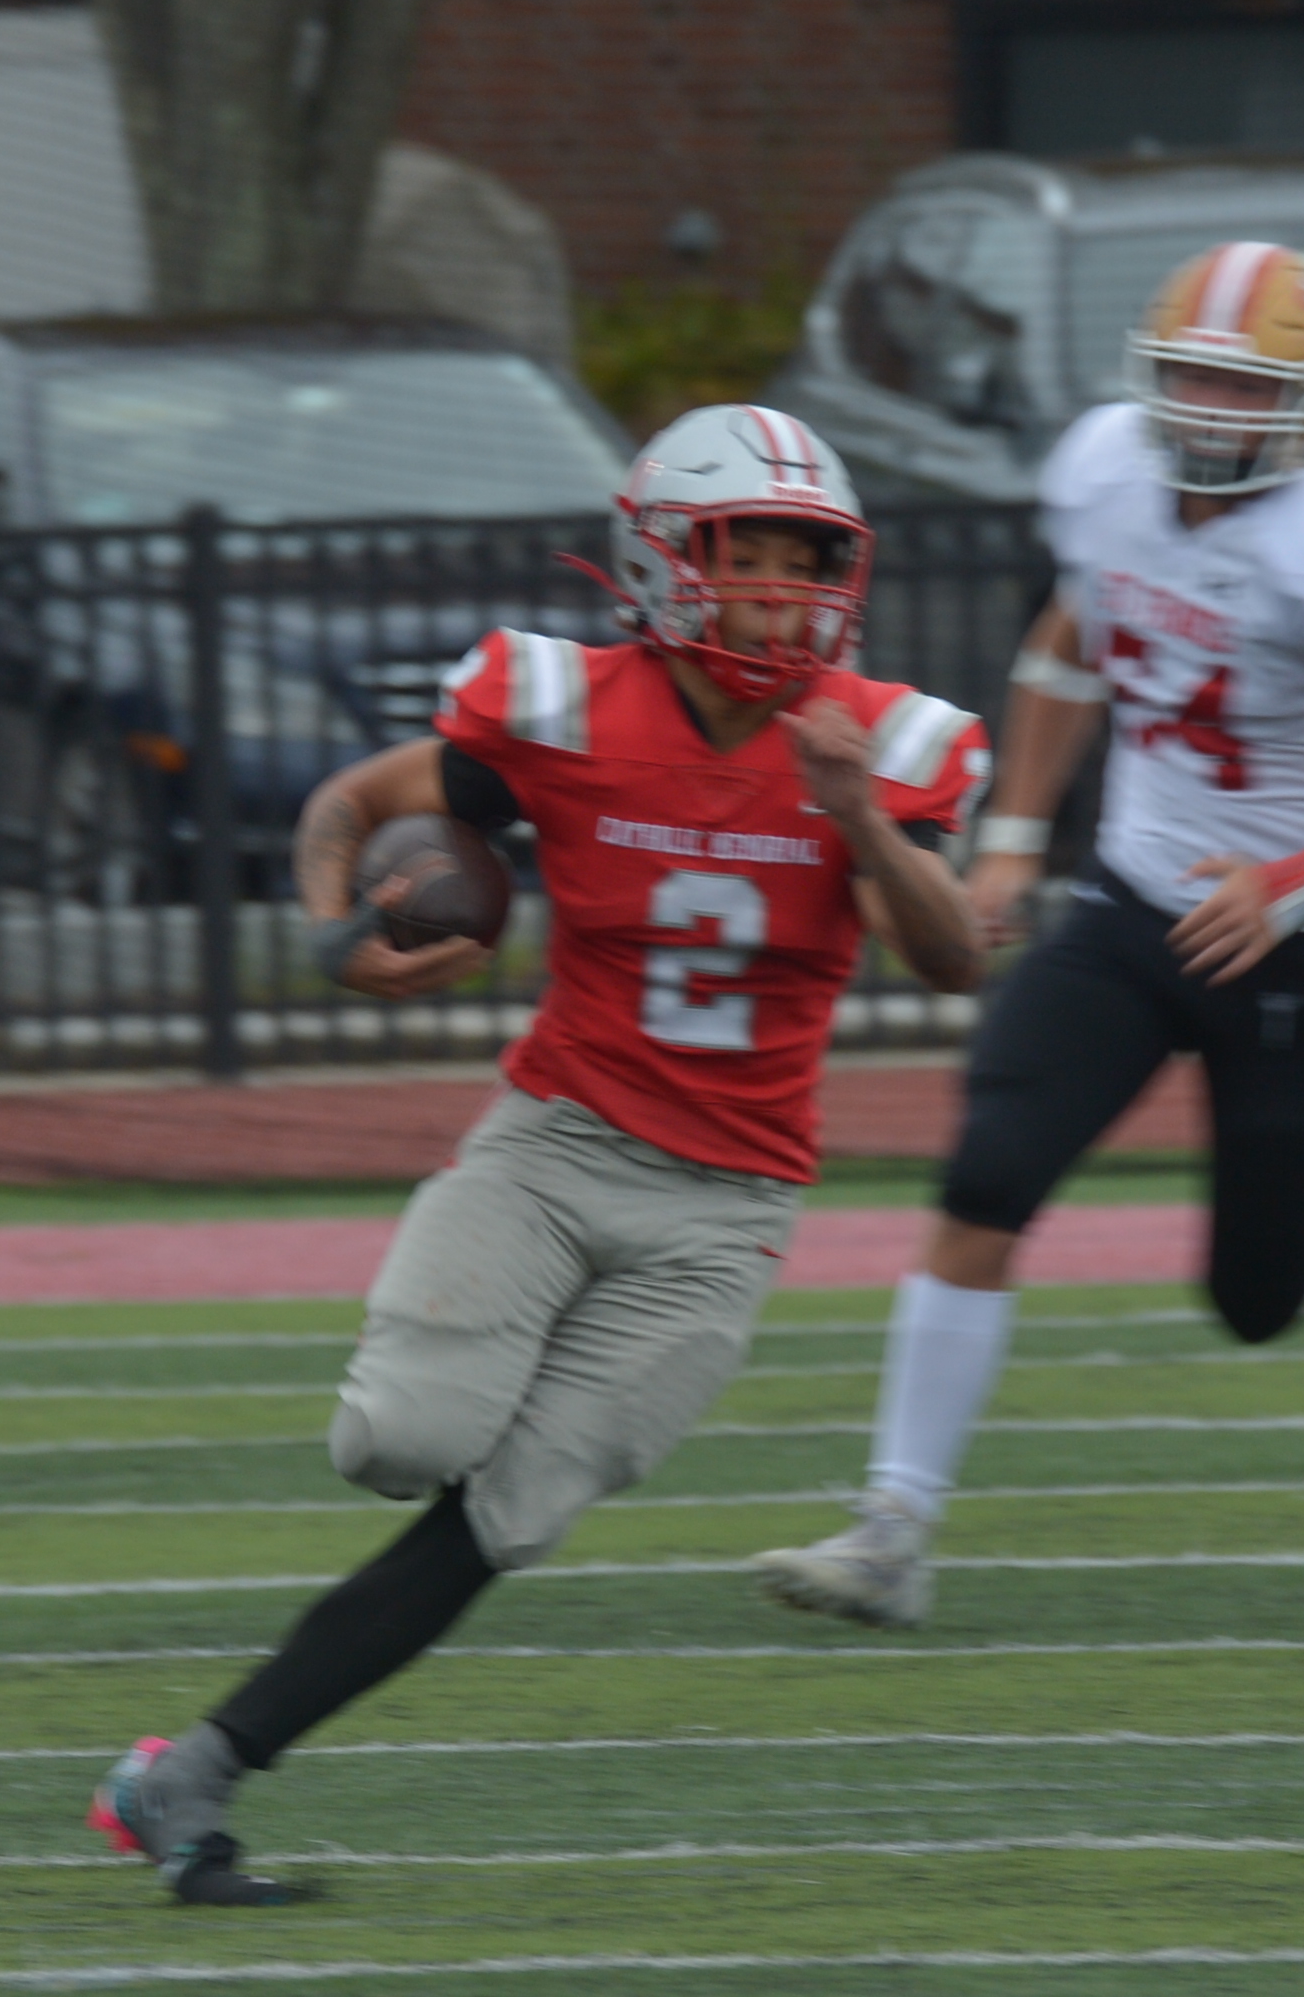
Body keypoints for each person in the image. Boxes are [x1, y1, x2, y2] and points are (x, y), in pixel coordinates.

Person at [89, 406, 986, 1904]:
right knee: (396, 1443)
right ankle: (206, 1751)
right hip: (554, 1147)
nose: (778, 593)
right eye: (744, 556)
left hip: (728, 1210)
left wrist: (862, 825)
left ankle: (191, 1774)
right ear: (660, 561)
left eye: (804, 561)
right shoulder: (560, 707)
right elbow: (348, 805)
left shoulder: (882, 742)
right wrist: (335, 937)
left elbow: (954, 959)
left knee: (513, 1512)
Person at [754, 240, 1304, 1632]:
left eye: (1247, 385)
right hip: (1128, 904)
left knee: (1257, 1300)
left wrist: (1290, 884)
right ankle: (893, 1529)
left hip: (1295, 944)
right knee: (987, 1172)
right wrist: (1013, 837)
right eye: (1192, 378)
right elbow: (1070, 641)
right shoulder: (1111, 480)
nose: (1211, 410)